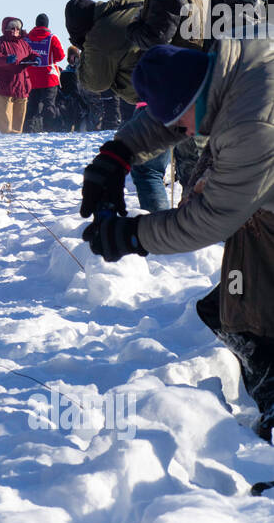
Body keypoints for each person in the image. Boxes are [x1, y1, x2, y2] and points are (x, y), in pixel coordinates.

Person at [80, 41, 274, 441]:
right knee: (227, 309)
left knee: (244, 316)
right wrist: (118, 154)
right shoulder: (232, 68)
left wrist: (132, 235)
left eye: (181, 125)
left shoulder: (250, 124)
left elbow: (212, 219)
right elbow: (173, 114)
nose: (183, 134)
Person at [65, 0, 168, 212]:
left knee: (148, 170)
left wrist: (85, 50)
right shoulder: (129, 2)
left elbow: (95, 83)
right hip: (189, 83)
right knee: (196, 170)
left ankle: (162, 235)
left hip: (159, 98)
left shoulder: (99, 35)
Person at [0, 16, 33, 134]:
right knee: (5, 127)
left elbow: (32, 53)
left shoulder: (24, 43)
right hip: (3, 87)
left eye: (18, 27)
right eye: (12, 27)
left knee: (18, 126)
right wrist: (6, 60)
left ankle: (16, 147)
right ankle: (4, 145)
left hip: (21, 86)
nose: (16, 30)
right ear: (6, 28)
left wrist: (36, 58)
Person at [24, 14, 66, 132]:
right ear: (47, 24)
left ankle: (27, 130)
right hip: (48, 77)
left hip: (31, 77)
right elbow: (60, 56)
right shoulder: (52, 38)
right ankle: (50, 129)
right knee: (49, 104)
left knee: (32, 105)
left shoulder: (27, 38)